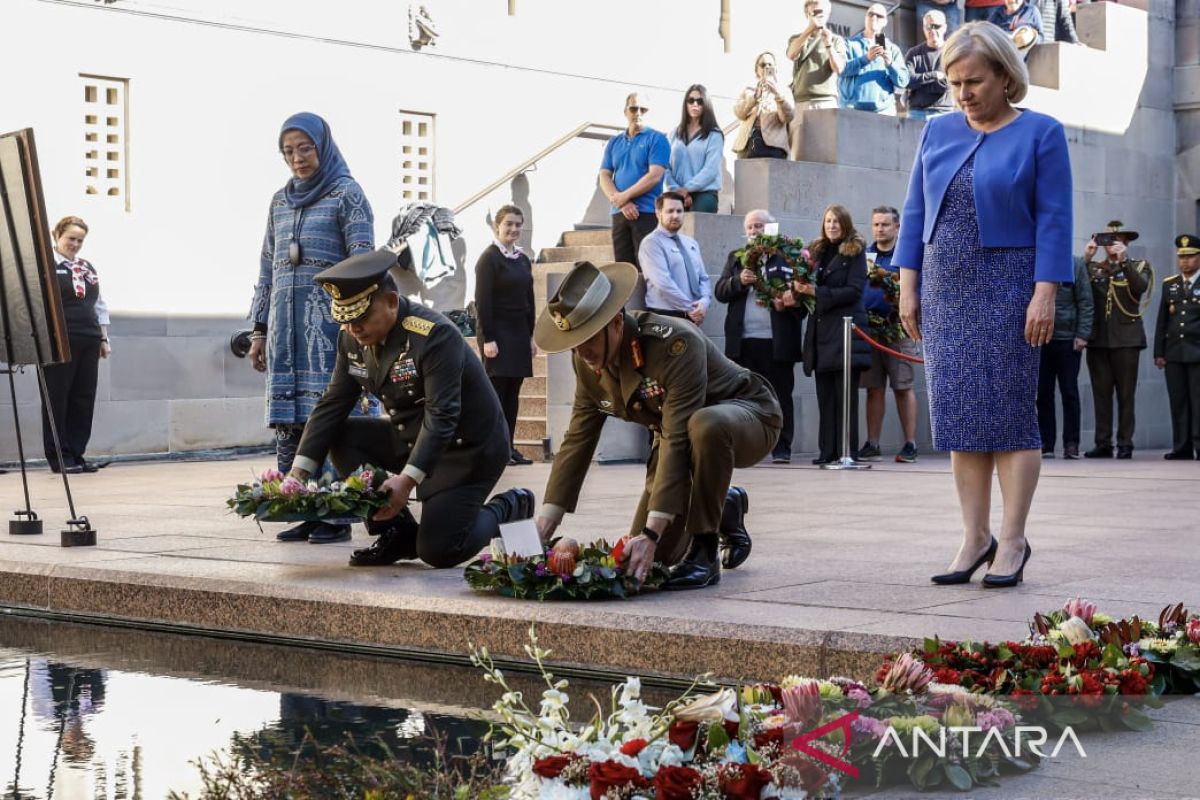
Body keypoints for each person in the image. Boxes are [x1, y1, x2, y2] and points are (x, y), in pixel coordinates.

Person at [894, 22, 1073, 589]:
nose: (963, 93)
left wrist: (1045, 292)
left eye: (973, 80)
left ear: (1004, 76)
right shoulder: (937, 131)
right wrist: (907, 285)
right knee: (960, 417)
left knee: (1011, 416)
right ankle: (975, 537)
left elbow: (1055, 219)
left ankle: (1013, 539)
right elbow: (915, 215)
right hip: (946, 288)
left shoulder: (1042, 132)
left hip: (1010, 286)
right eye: (953, 83)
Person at [533, 261, 782, 590]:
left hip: (746, 416)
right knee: (648, 562)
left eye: (588, 338)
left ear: (617, 323)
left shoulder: (673, 344)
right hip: (677, 435)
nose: (582, 351)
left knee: (704, 425)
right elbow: (577, 441)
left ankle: (705, 551)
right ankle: (724, 504)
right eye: (575, 341)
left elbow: (678, 438)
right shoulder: (587, 361)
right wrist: (542, 529)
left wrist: (652, 531)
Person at [288, 249, 535, 568]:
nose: (353, 329)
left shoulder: (434, 336)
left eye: (361, 318)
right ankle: (396, 533)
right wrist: (297, 474)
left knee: (440, 550)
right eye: (345, 320)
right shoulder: (352, 339)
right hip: (412, 437)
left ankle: (511, 506)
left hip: (467, 451)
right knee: (343, 435)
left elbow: (442, 415)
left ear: (391, 302)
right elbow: (332, 404)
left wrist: (406, 482)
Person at [248, 112, 376, 545]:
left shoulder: (348, 194)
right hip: (286, 334)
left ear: (323, 146)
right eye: (288, 151)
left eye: (305, 148)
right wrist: (259, 329)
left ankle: (336, 513)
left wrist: (358, 324)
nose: (297, 159)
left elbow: (364, 263)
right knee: (296, 420)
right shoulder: (278, 201)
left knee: (331, 418)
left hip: (332, 332)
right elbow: (267, 266)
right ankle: (304, 507)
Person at [714, 209, 805, 464]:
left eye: (759, 226)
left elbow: (805, 300)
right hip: (743, 342)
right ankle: (744, 448)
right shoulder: (736, 258)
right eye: (751, 226)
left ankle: (782, 449)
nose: (754, 231)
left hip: (777, 342)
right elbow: (720, 291)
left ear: (771, 228)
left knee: (781, 396)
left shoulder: (788, 257)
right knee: (742, 397)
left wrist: (789, 301)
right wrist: (738, 281)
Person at [799, 205, 872, 465]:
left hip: (844, 330)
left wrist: (815, 293)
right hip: (820, 332)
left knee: (845, 396)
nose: (831, 225)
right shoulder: (816, 251)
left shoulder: (855, 251)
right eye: (828, 221)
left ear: (845, 224)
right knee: (825, 395)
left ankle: (846, 451)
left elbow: (854, 290)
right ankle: (826, 452)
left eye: (836, 221)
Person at [41, 216, 111, 474]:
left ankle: (77, 454)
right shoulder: (46, 264)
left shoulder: (86, 267)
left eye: (80, 240)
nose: (75, 244)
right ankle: (60, 457)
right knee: (58, 398)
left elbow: (99, 305)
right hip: (59, 340)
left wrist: (104, 339)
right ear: (56, 236)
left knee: (83, 398)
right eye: (71, 238)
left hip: (89, 338)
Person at [474, 204, 537, 466]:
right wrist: (488, 338)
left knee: (513, 396)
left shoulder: (522, 259)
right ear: (496, 226)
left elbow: (529, 300)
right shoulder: (489, 258)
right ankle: (494, 449)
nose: (513, 229)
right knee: (497, 396)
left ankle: (509, 447)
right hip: (497, 335)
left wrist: (530, 337)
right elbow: (483, 301)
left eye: (517, 225)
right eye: (508, 224)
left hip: (519, 335)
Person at [857, 207, 921, 463]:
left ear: (897, 228)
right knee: (873, 388)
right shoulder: (865, 256)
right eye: (876, 224)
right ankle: (872, 443)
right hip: (870, 330)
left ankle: (910, 444)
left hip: (898, 328)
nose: (880, 229)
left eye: (885, 224)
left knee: (902, 386)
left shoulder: (905, 257)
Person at [1083, 221, 1150, 459]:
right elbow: (1073, 287)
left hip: (1126, 339)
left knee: (1125, 394)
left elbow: (1140, 287)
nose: (1113, 246)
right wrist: (1086, 258)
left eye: (1118, 241)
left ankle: (1125, 443)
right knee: (1101, 395)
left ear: (1126, 244)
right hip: (1098, 339)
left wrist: (1124, 262)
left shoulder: (1139, 266)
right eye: (1109, 242)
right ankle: (1103, 443)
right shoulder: (1093, 268)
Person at [599, 91, 670, 268]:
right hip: (619, 213)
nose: (638, 113)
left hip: (645, 213)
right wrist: (621, 202)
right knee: (623, 270)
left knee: (648, 269)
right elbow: (604, 175)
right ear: (625, 111)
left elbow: (655, 176)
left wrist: (624, 197)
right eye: (633, 108)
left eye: (643, 109)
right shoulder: (614, 142)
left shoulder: (658, 139)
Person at [1036, 254, 1093, 459]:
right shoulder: (1037, 260)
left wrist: (1082, 334)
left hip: (1068, 340)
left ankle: (1071, 443)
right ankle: (1046, 442)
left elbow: (1086, 302)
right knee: (1043, 393)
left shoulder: (1075, 264)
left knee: (1069, 393)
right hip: (1041, 339)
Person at [1153, 235, 1200, 459]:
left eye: (1190, 256)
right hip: (1174, 352)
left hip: (1197, 353)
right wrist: (1159, 352)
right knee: (1178, 401)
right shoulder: (1170, 284)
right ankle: (1181, 447)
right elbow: (1162, 321)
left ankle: (1199, 446)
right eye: (1182, 257)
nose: (1185, 262)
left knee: (1198, 402)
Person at [638, 192, 712, 323]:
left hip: (692, 315)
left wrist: (705, 302)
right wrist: (691, 308)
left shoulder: (691, 243)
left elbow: (704, 278)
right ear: (658, 214)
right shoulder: (651, 243)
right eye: (670, 211)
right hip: (665, 317)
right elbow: (663, 283)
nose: (676, 215)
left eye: (679, 211)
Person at [840, 4, 911, 115]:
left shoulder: (892, 49)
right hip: (852, 109)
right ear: (865, 18)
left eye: (879, 16)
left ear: (885, 21)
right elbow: (841, 70)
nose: (874, 18)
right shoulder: (849, 44)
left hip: (883, 110)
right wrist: (866, 59)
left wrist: (890, 64)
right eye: (871, 14)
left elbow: (903, 82)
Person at [665, 85, 725, 214]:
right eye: (691, 100)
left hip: (704, 194)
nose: (695, 104)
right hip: (677, 192)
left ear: (706, 105)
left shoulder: (714, 135)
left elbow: (711, 169)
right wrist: (678, 190)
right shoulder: (674, 133)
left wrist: (687, 189)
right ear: (685, 103)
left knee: (699, 229)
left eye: (700, 101)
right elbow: (665, 166)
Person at [786, 0, 847, 113]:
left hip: (825, 100)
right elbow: (791, 54)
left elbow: (839, 69)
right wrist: (810, 29)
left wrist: (829, 45)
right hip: (800, 101)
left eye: (820, 13)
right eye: (813, 13)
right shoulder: (796, 39)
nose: (817, 17)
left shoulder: (835, 40)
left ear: (827, 15)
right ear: (807, 15)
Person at [732, 52, 794, 160]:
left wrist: (777, 94)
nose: (767, 67)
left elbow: (787, 117)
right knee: (746, 176)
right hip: (747, 145)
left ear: (775, 68)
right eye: (763, 65)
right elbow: (739, 113)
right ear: (757, 70)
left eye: (770, 65)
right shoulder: (749, 90)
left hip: (773, 146)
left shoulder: (783, 91)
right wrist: (755, 97)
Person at [905, 10, 954, 120]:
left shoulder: (951, 53)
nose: (932, 30)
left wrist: (919, 84)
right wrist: (934, 76)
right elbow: (907, 81)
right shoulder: (913, 53)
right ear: (923, 28)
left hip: (942, 112)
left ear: (945, 27)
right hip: (917, 112)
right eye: (928, 27)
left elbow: (946, 85)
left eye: (937, 26)